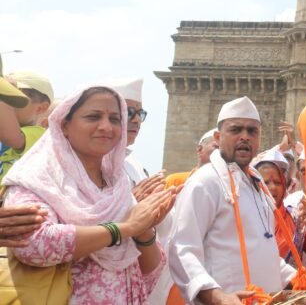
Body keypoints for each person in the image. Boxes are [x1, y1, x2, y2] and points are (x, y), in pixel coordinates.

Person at [3, 85, 178, 303]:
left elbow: (150, 273)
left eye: (115, 119)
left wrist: (143, 230)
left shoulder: (118, 184)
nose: (106, 126)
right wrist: (124, 228)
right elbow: (34, 245)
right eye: (93, 116)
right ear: (64, 125)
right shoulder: (37, 178)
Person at [169, 97, 296, 304]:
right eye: (236, 130)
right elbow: (181, 249)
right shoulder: (206, 182)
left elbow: (263, 251)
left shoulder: (257, 185)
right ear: (218, 137)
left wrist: (296, 280)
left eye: (252, 131)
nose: (245, 137)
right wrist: (217, 296)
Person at [254, 149, 306, 269]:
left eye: (277, 182)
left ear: (284, 186)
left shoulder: (295, 217)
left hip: (292, 286)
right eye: (266, 182)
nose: (272, 187)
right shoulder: (245, 216)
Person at [0, 71, 53, 183]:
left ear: (40, 108)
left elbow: (12, 138)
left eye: (13, 100)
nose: (5, 109)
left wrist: (4, 99)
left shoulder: (39, 135)